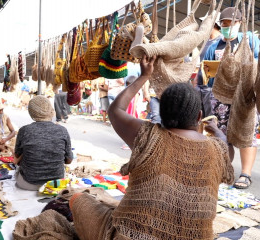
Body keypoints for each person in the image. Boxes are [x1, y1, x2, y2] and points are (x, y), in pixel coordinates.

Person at [69, 56, 234, 240]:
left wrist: (144, 76)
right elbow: (228, 150)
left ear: (160, 113)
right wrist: (218, 132)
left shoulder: (148, 135)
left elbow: (115, 110)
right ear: (199, 116)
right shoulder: (217, 149)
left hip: (128, 236)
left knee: (78, 199)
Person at [201, 7, 259, 189]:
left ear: (239, 24)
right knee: (223, 135)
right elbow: (205, 74)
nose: (226, 27)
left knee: (246, 134)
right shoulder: (214, 47)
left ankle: (245, 174)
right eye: (224, 24)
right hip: (220, 98)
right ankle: (224, 169)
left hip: (245, 96)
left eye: (230, 24)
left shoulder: (249, 41)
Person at [14, 96, 73, 191]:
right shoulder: (62, 130)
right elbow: (69, 160)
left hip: (27, 183)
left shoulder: (24, 130)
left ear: (31, 112)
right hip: (55, 184)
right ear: (50, 110)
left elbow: (17, 156)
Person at [195, 14, 222, 118]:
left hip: (212, 85)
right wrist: (196, 80)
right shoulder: (206, 42)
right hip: (201, 84)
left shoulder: (221, 41)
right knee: (200, 115)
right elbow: (201, 63)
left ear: (214, 24)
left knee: (210, 115)